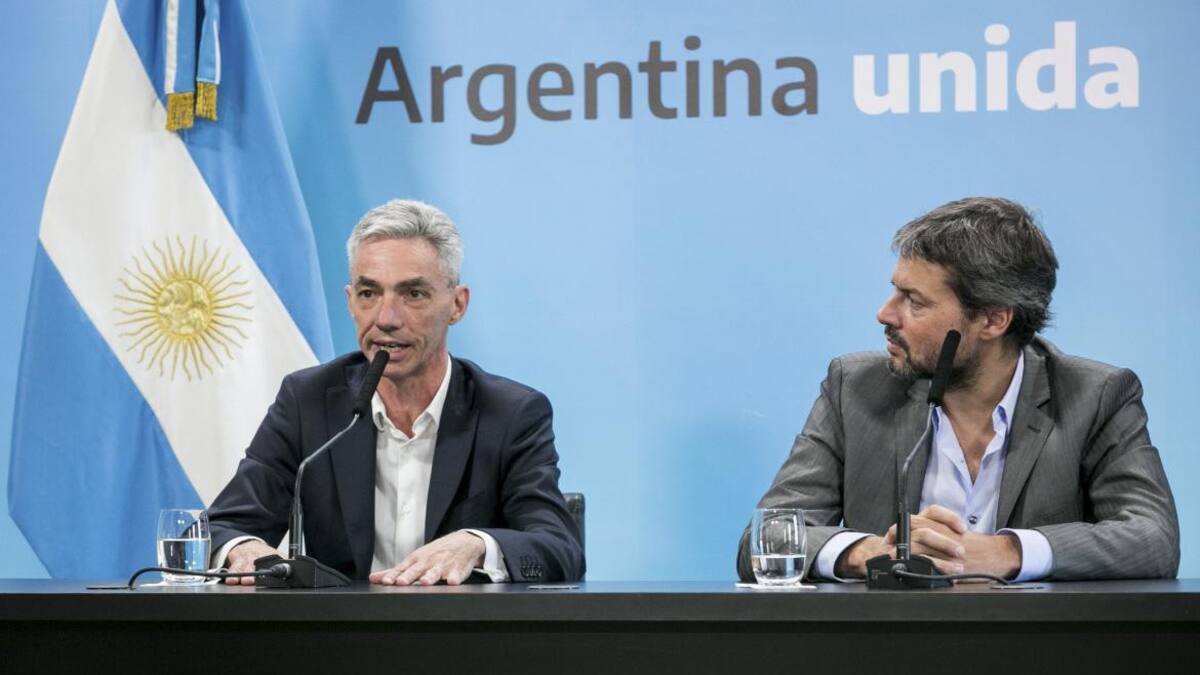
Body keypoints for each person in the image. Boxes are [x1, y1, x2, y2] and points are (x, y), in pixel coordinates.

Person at [737, 197, 1179, 582]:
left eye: (915, 301)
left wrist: (1007, 552)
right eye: (895, 292)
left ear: (993, 320)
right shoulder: (854, 388)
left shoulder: (1095, 396)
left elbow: (1152, 538)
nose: (885, 314)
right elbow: (765, 541)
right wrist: (868, 554)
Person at [209, 199, 584, 585]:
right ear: (350, 302)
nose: (386, 319)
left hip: (464, 638)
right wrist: (243, 548)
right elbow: (220, 528)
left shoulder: (510, 413)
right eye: (369, 294)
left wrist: (477, 543)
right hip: (337, 639)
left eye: (413, 294)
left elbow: (559, 549)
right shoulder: (309, 401)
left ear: (457, 305)